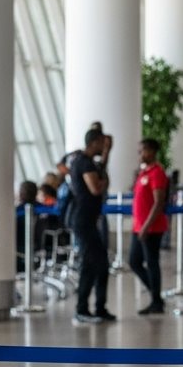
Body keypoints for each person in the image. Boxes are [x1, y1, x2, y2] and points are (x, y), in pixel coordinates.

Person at [69, 128, 113, 323]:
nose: (104, 146)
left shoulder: (89, 162)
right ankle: (82, 309)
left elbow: (99, 173)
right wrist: (105, 182)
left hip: (90, 220)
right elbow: (96, 188)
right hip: (83, 220)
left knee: (101, 263)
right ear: (94, 142)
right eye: (102, 143)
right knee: (90, 263)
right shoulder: (83, 162)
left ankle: (99, 308)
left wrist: (106, 154)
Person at [131, 138, 170, 315]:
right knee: (134, 261)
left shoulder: (157, 173)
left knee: (151, 262)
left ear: (152, 151)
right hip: (138, 226)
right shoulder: (143, 173)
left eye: (143, 151)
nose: (140, 155)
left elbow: (158, 202)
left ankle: (156, 301)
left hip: (151, 228)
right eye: (139, 151)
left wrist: (146, 226)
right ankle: (157, 296)